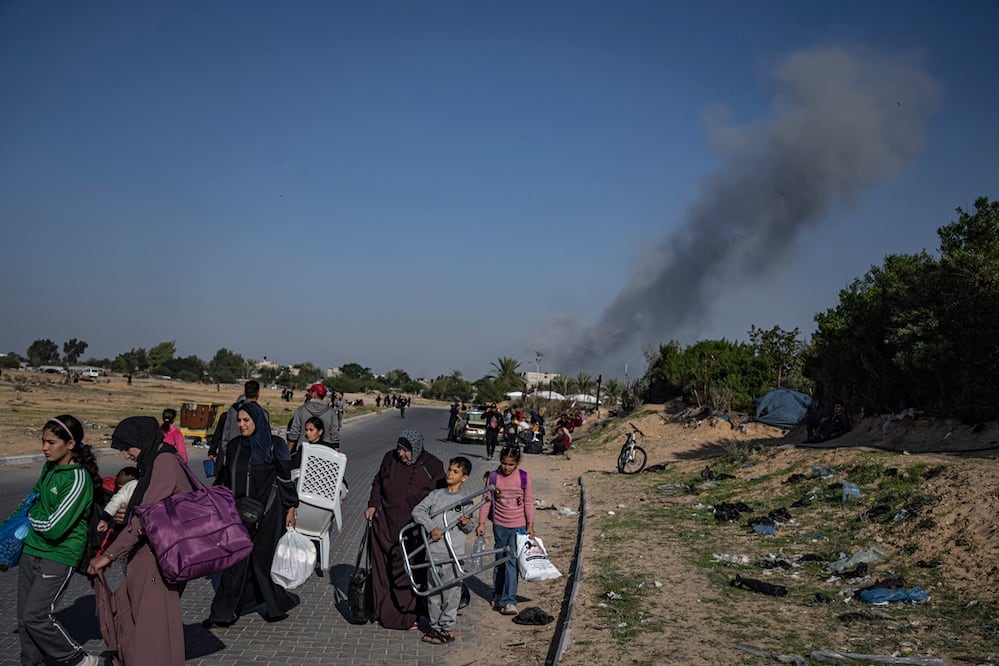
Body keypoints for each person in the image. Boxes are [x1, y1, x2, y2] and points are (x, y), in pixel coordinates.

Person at [86, 416, 195, 666]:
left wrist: (109, 555)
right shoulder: (154, 461)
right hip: (148, 557)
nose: (126, 455)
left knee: (152, 631)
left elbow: (146, 517)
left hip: (159, 559)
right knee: (134, 620)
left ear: (142, 441)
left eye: (127, 448)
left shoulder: (164, 462)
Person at [204, 401, 299, 627]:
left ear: (257, 420)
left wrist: (291, 509)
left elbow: (285, 479)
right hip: (240, 513)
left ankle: (274, 607)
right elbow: (225, 478)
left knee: (261, 562)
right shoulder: (235, 446)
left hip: (269, 513)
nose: (242, 425)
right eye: (239, 420)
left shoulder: (274, 445)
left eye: (246, 420)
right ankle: (223, 614)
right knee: (236, 561)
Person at [16, 415, 102, 666]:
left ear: (70, 444)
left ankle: (78, 659)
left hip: (59, 554)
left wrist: (31, 517)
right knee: (23, 619)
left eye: (51, 442)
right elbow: (31, 500)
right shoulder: (50, 467)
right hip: (32, 549)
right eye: (43, 441)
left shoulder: (77, 479)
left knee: (37, 616)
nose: (44, 448)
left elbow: (54, 527)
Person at [364, 429, 445, 629]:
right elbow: (378, 483)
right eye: (399, 449)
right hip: (384, 524)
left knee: (406, 572)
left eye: (406, 450)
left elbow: (441, 496)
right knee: (381, 569)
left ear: (416, 448)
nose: (401, 454)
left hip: (412, 531)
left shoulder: (433, 466)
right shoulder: (389, 458)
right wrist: (373, 505)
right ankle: (380, 611)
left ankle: (406, 616)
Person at [411, 456, 475, 644]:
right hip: (433, 553)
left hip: (453, 555)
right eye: (450, 469)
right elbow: (418, 511)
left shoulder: (466, 500)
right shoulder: (436, 495)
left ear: (464, 477)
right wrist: (431, 527)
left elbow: (469, 527)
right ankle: (435, 627)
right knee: (434, 593)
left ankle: (447, 628)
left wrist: (466, 523)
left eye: (455, 471)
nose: (450, 473)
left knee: (451, 594)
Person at [477, 445, 535, 616]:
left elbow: (529, 501)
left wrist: (530, 525)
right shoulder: (494, 477)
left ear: (517, 463)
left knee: (512, 563)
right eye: (504, 463)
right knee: (499, 561)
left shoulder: (523, 477)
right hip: (499, 526)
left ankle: (509, 601)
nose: (506, 467)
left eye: (511, 464)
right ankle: (498, 593)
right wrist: (481, 523)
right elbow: (486, 501)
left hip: (518, 527)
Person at [209, 380, 269, 465]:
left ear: (244, 392)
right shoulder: (262, 413)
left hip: (234, 452)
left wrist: (226, 453)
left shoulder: (233, 410)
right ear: (258, 393)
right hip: (253, 455)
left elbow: (226, 433)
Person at [287, 383, 339, 454]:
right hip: (325, 451)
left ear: (314, 393)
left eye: (310, 392)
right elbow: (334, 434)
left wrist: (288, 452)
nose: (308, 394)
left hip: (303, 449)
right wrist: (336, 453)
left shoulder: (301, 410)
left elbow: (294, 432)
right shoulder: (331, 412)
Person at [96, 466, 139, 534]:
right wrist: (104, 519)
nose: (121, 490)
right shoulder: (108, 494)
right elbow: (114, 504)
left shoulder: (131, 488)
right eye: (119, 487)